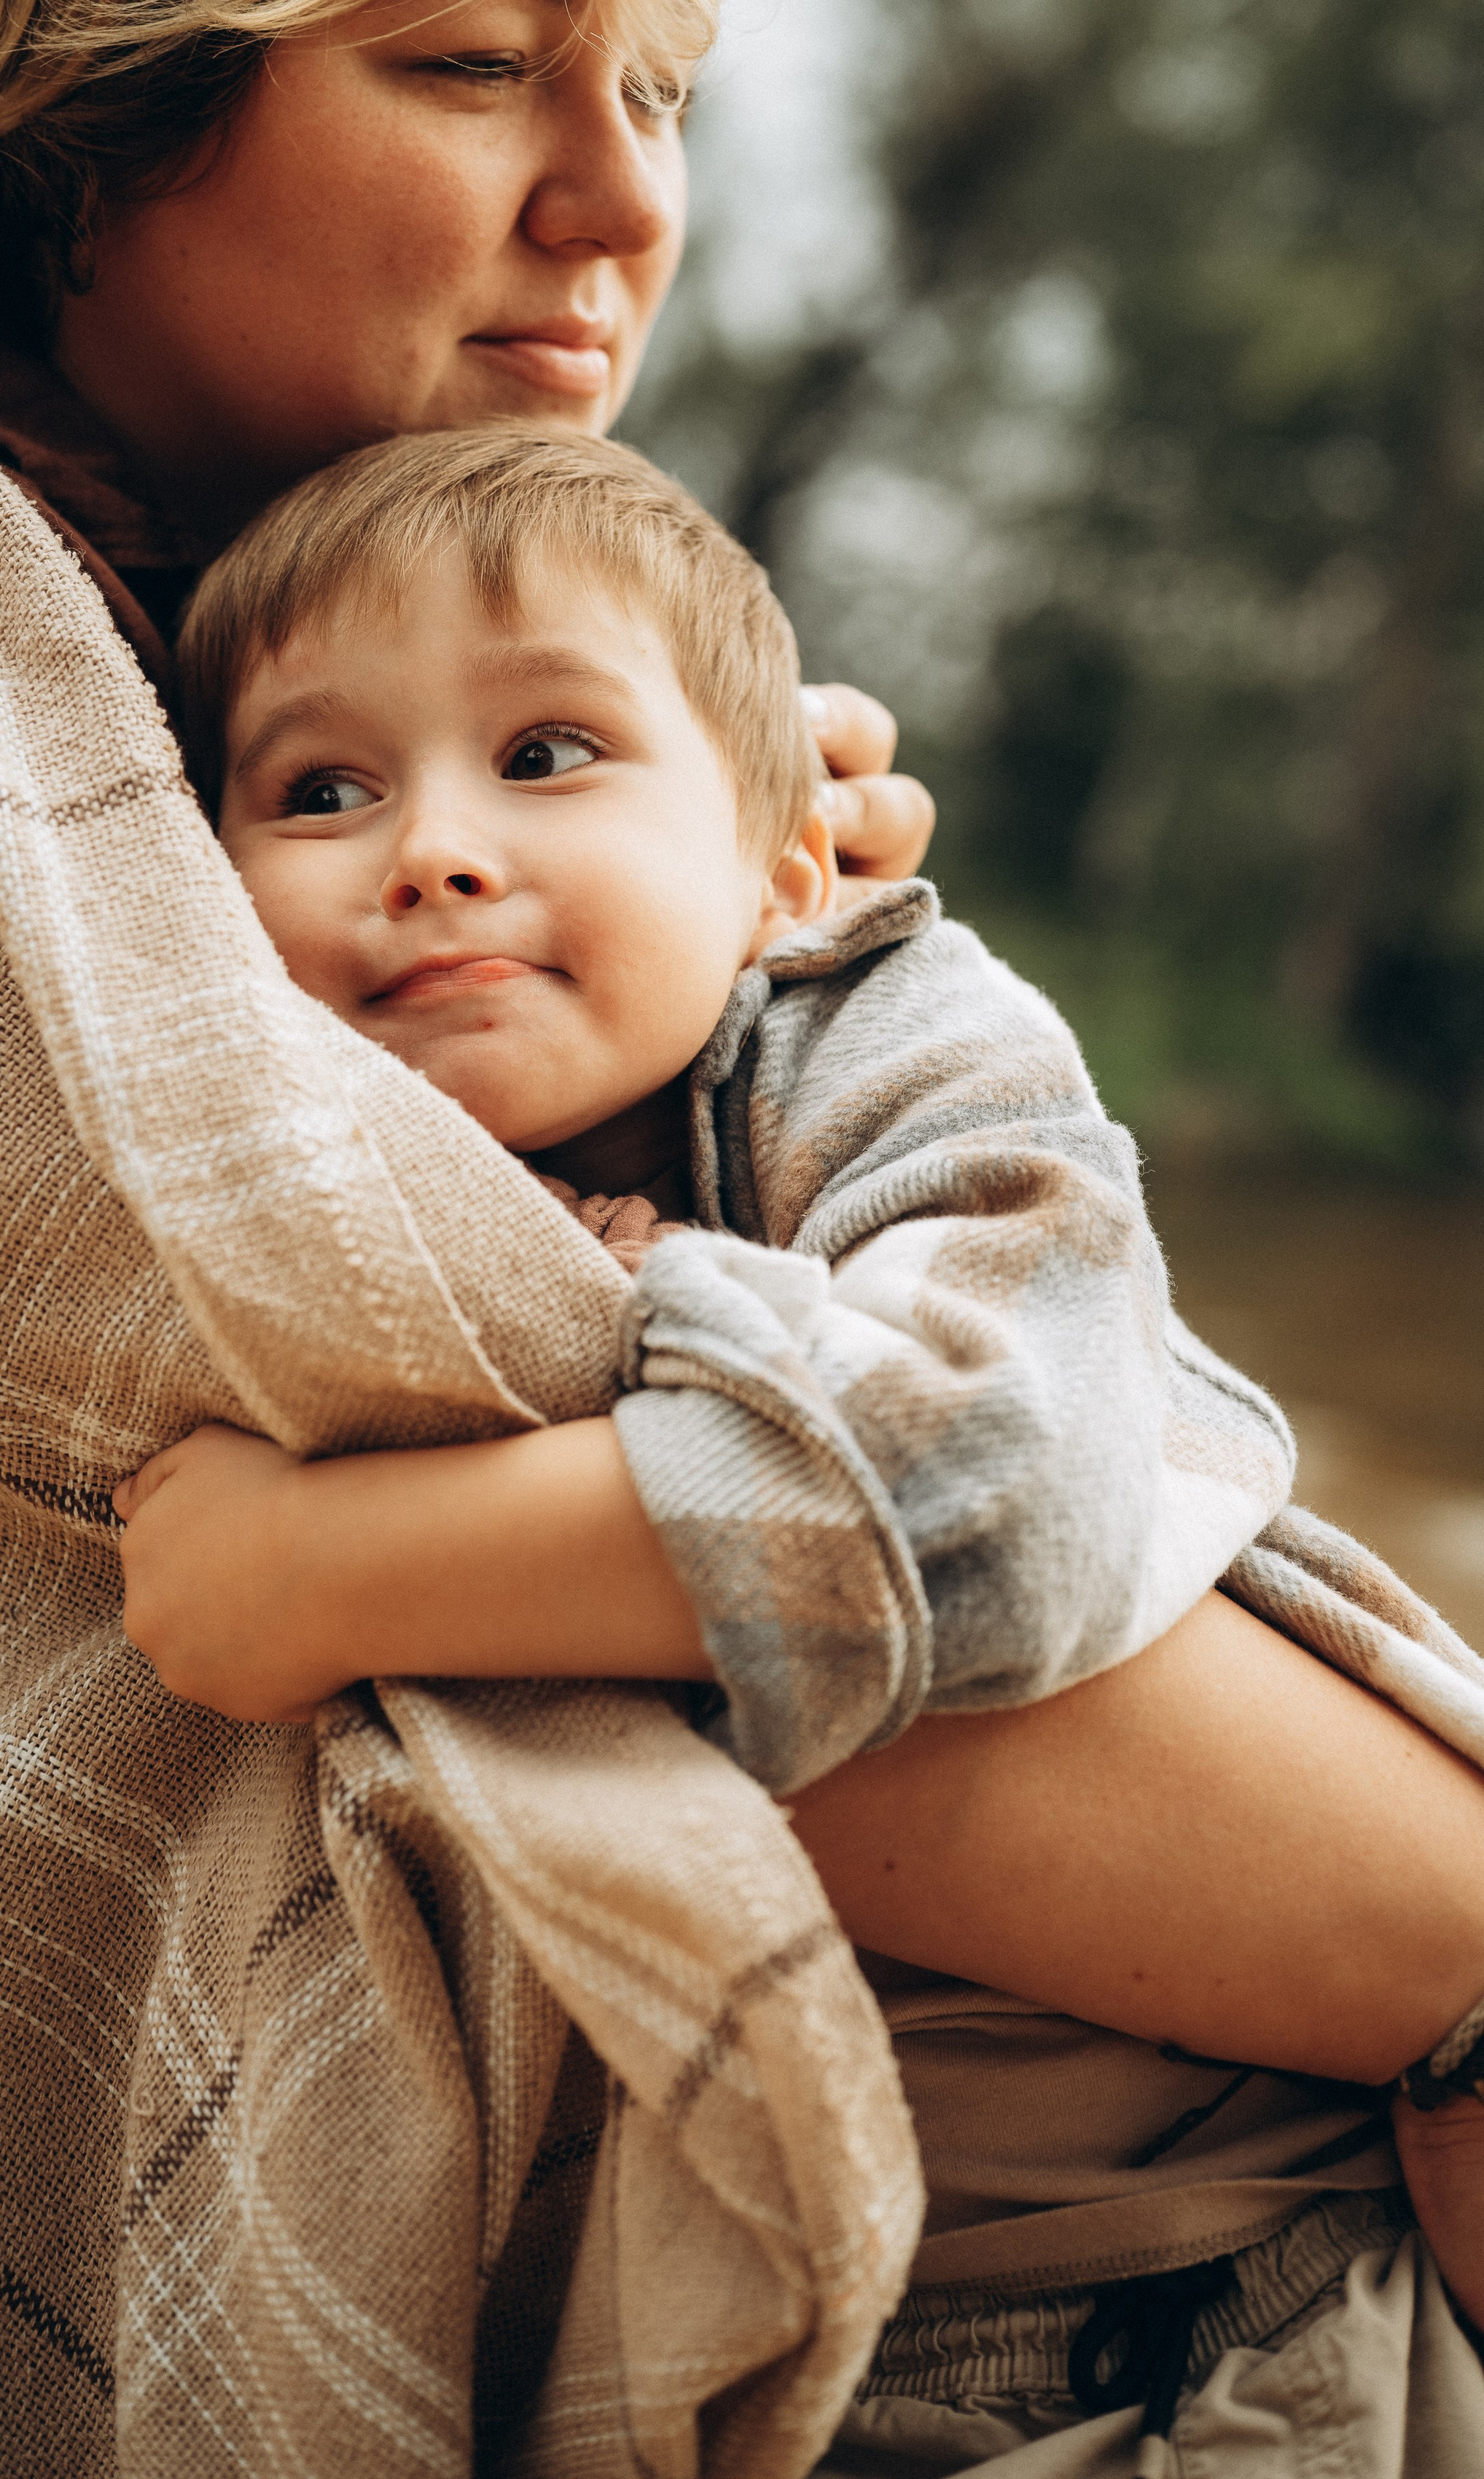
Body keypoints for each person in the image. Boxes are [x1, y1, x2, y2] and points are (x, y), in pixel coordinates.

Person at [0, 0, 1478, 2467]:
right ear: (89, 93)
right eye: (480, 60)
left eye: (667, 85)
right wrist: (1445, 1948)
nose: (624, 205)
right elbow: (426, 1421)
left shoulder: (266, 632)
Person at [113, 418, 1484, 2467]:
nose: (434, 847)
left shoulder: (887, 1031)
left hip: (1199, 2320)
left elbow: (1003, 1475)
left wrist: (327, 1571)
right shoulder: (299, 1186)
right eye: (322, 788)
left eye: (549, 753)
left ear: (782, 863)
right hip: (748, 2317)